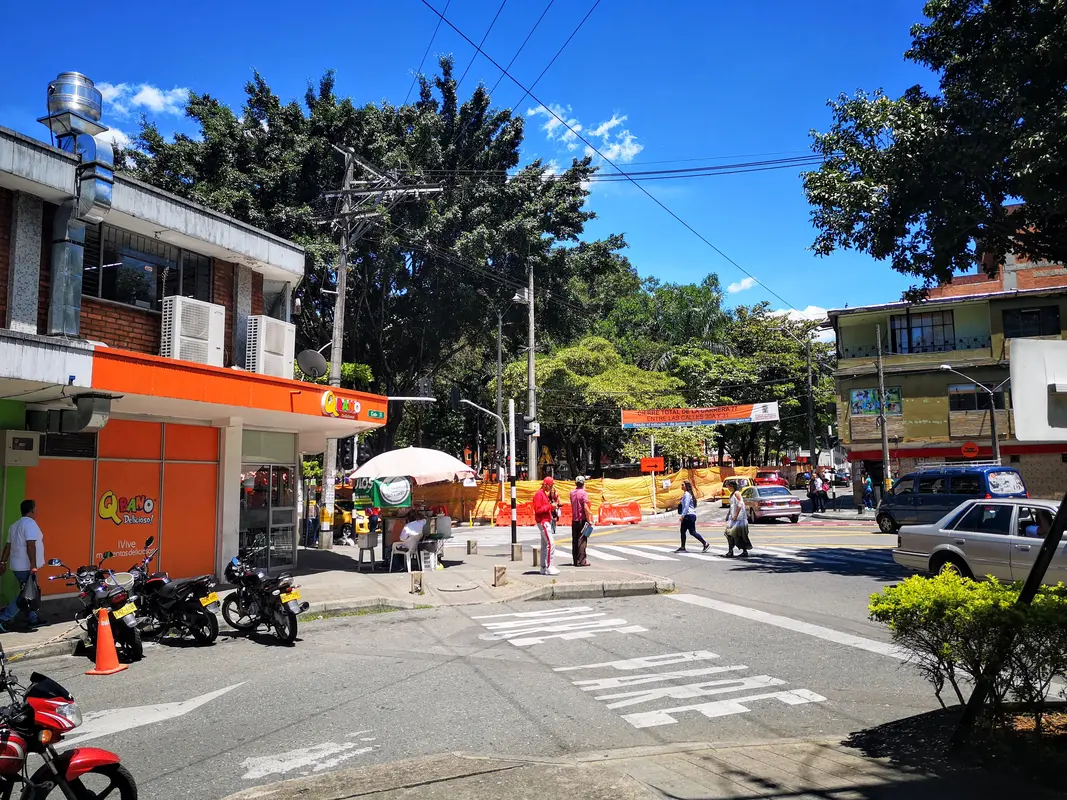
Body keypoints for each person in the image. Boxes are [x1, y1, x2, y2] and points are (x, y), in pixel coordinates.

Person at [0, 500, 44, 632]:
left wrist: (3, 562)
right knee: (25, 595)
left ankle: (33, 619)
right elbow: (30, 545)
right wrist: (33, 565)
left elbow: (8, 546)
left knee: (29, 593)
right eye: (35, 508)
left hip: (17, 566)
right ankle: (4, 618)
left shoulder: (14, 525)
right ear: (32, 509)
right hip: (26, 567)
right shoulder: (30, 524)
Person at [533, 477, 559, 575]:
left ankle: (544, 567)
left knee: (544, 545)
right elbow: (538, 509)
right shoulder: (539, 494)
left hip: (544, 521)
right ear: (545, 485)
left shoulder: (543, 494)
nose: (551, 488)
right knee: (551, 544)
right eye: (550, 486)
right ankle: (549, 566)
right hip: (543, 521)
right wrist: (550, 507)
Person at [676, 480, 709, 553]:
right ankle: (704, 544)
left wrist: (682, 515)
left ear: (686, 486)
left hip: (688, 515)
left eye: (683, 485)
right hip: (690, 515)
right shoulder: (686, 494)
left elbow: (686, 506)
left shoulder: (687, 495)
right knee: (690, 531)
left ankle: (683, 547)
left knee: (686, 531)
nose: (681, 486)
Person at [570, 476, 592, 567]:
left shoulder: (572, 493)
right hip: (582, 519)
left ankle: (575, 560)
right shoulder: (583, 493)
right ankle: (582, 560)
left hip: (574, 519)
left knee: (575, 540)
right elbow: (585, 507)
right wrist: (589, 519)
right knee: (582, 540)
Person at [725, 485, 752, 557]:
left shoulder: (737, 493)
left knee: (738, 535)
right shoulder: (732, 494)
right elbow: (731, 506)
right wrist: (728, 515)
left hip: (739, 519)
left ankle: (743, 551)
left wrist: (736, 515)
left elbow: (740, 504)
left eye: (728, 486)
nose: (728, 488)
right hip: (732, 518)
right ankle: (731, 551)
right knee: (729, 534)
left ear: (732, 486)